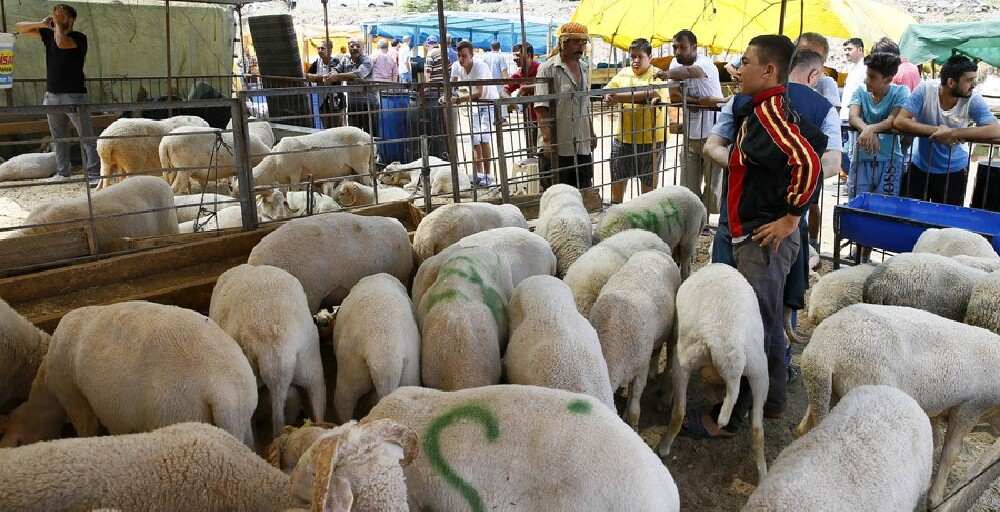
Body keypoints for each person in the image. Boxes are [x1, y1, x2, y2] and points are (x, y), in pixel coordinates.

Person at [667, 35, 824, 443]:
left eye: (746, 61)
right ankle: (765, 399)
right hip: (751, 232)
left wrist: (791, 217)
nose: (738, 68)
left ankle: (738, 414)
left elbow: (809, 162)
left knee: (760, 324)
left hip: (765, 238)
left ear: (768, 70)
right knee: (761, 319)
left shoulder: (770, 112)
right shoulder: (761, 109)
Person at [894, 54, 1000, 206]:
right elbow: (900, 121)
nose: (974, 84)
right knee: (909, 214)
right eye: (969, 80)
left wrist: (953, 133)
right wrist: (937, 130)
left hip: (954, 171)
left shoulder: (973, 99)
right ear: (951, 82)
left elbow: (996, 130)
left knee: (946, 222)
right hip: (920, 166)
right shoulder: (926, 90)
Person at [16, 4, 100, 185]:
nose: (55, 18)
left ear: (71, 19)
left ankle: (94, 174)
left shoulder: (79, 38)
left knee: (86, 137)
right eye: (54, 14)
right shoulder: (48, 34)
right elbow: (21, 28)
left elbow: (62, 43)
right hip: (52, 95)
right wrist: (42, 23)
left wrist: (57, 27)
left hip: (74, 95)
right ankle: (63, 173)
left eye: (60, 15)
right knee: (58, 138)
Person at [662, 30, 725, 215]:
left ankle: (706, 220)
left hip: (713, 133)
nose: (678, 51)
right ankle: (695, 222)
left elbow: (692, 72)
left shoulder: (704, 63)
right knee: (688, 184)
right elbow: (674, 97)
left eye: (682, 47)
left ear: (694, 47)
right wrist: (698, 101)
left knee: (713, 186)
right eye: (675, 47)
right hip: (691, 132)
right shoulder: (675, 64)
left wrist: (668, 74)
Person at [603, 38, 670, 203]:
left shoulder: (657, 74)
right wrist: (608, 96)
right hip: (624, 138)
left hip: (651, 140)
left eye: (640, 57)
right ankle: (617, 214)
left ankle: (644, 220)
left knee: (647, 190)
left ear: (650, 57)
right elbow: (607, 91)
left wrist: (618, 97)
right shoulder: (623, 72)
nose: (635, 61)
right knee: (617, 181)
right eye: (632, 57)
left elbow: (652, 94)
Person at [534, 22, 597, 189]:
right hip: (558, 144)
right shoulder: (548, 68)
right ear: (563, 43)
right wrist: (548, 141)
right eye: (576, 42)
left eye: (583, 42)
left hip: (581, 143)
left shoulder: (583, 67)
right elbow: (541, 107)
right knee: (556, 194)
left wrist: (591, 132)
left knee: (583, 190)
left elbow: (585, 104)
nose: (580, 47)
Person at [848, 52, 909, 199]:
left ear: (888, 79)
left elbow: (891, 121)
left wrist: (870, 129)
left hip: (890, 160)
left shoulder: (901, 92)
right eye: (867, 75)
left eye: (872, 77)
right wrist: (867, 130)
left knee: (884, 208)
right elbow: (853, 117)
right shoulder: (860, 91)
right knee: (857, 204)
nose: (866, 80)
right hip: (862, 157)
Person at [448, 41, 499, 186]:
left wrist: (459, 99)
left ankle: (488, 175)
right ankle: (479, 174)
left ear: (472, 56)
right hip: (474, 103)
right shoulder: (457, 66)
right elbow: (452, 85)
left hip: (488, 101)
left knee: (484, 137)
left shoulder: (480, 66)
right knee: (474, 138)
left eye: (464, 56)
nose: (461, 59)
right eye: (459, 56)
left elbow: (479, 92)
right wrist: (450, 94)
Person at [327, 39, 374, 133]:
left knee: (370, 134)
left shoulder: (367, 60)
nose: (354, 48)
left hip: (368, 103)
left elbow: (358, 74)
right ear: (348, 47)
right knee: (354, 134)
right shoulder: (345, 59)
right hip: (353, 103)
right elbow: (337, 69)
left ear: (363, 48)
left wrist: (336, 76)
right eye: (352, 46)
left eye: (357, 46)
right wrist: (333, 73)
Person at [505, 42, 541, 153]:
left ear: (529, 55)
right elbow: (504, 89)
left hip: (545, 118)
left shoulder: (541, 69)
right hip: (529, 120)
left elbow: (547, 85)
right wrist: (510, 101)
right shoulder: (518, 74)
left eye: (518, 55)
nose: (514, 59)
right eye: (514, 56)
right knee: (532, 151)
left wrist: (525, 89)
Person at [795, 33, 841, 107]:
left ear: (823, 62)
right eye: (803, 55)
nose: (808, 60)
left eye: (815, 58)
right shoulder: (781, 78)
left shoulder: (825, 83)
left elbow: (832, 113)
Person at [305, 40, 343, 128]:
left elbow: (331, 79)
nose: (320, 50)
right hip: (322, 100)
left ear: (330, 50)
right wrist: (318, 78)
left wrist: (316, 78)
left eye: (323, 48)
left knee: (337, 128)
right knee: (326, 127)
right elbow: (307, 75)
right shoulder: (317, 62)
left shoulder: (335, 62)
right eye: (318, 48)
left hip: (335, 100)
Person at [840, 37, 866, 120]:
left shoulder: (866, 68)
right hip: (846, 115)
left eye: (849, 49)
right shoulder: (852, 67)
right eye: (845, 50)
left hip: (857, 117)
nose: (846, 52)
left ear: (860, 49)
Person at [482, 41, 510, 120]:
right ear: (499, 47)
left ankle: (492, 119)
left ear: (491, 47)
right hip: (498, 85)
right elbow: (504, 71)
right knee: (500, 103)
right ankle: (500, 119)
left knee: (489, 105)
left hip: (487, 85)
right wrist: (507, 84)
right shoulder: (500, 57)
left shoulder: (485, 56)